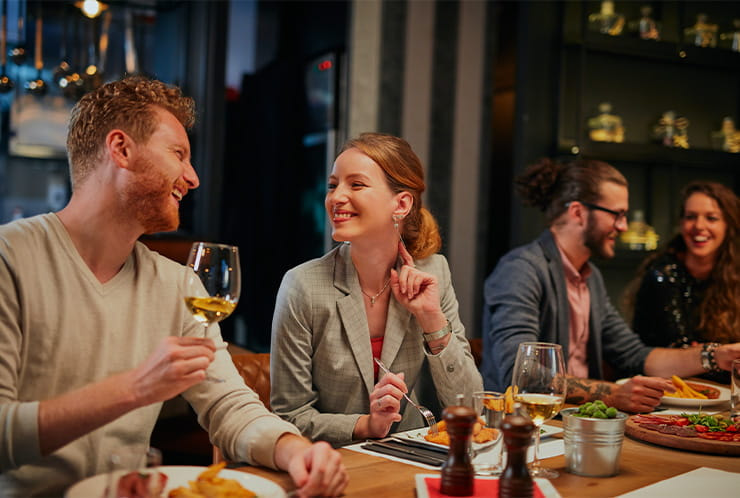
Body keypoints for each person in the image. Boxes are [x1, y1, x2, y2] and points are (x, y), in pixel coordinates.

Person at [0, 77, 346, 497]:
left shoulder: (178, 283)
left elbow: (228, 404)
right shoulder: (9, 259)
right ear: (121, 149)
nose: (193, 177)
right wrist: (132, 389)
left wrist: (294, 451)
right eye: (178, 154)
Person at [480, 157, 740, 413]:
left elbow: (636, 356)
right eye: (617, 215)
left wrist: (716, 355)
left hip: (579, 420)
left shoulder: (590, 276)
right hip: (521, 427)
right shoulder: (521, 269)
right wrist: (615, 394)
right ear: (579, 213)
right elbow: (519, 373)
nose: (623, 226)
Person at [270, 132, 482, 445]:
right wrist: (366, 425)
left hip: (408, 465)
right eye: (333, 185)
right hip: (332, 466)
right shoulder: (303, 286)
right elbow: (289, 416)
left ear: (401, 203)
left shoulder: (434, 272)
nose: (336, 197)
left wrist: (432, 320)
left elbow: (469, 407)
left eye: (356, 184)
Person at [626, 181, 739, 383]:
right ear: (680, 223)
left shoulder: (735, 275)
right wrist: (722, 355)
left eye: (711, 218)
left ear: (728, 225)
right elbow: (678, 351)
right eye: (690, 217)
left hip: (722, 395)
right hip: (664, 392)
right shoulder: (663, 275)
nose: (699, 226)